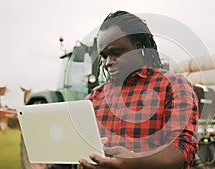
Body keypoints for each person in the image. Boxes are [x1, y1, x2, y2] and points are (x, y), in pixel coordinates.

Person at [79, 11, 199, 169]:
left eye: (116, 53)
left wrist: (132, 162)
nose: (108, 62)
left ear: (137, 47)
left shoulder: (173, 86)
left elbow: (182, 150)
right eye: (104, 56)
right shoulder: (94, 99)